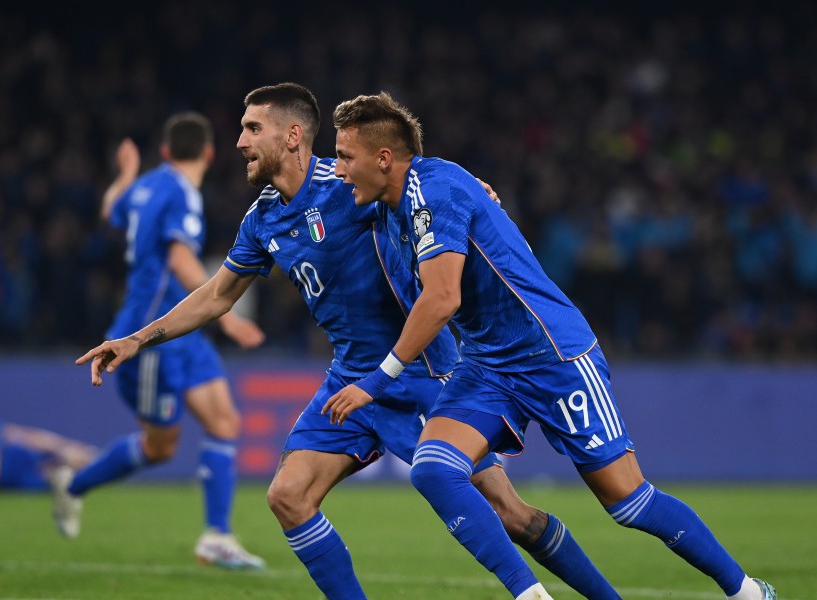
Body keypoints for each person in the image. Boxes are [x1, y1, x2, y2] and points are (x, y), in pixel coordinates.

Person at [76, 83, 620, 599]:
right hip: (350, 377)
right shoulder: (262, 218)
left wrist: (473, 191)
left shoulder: (347, 184)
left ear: (291, 136)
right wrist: (136, 339)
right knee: (288, 496)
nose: (239, 141)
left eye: (251, 128)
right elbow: (217, 295)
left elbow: (421, 183)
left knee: (512, 515)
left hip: (421, 371)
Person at [323, 92, 778, 600]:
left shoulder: (434, 191)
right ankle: (530, 593)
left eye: (344, 156)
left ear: (384, 158)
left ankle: (746, 592)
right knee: (433, 468)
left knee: (627, 501)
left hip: (554, 353)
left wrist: (376, 380)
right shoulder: (392, 199)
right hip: (489, 366)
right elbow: (312, 180)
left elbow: (443, 298)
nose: (338, 169)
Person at [56, 113, 266, 570]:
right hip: (149, 336)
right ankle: (73, 483)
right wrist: (225, 312)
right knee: (161, 447)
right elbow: (178, 256)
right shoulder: (180, 194)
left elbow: (110, 207)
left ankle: (217, 536)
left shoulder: (148, 186)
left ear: (167, 152)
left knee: (225, 422)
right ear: (210, 153)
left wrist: (127, 174)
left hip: (180, 331)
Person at [0, 420, 97, 493]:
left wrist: (60, 447)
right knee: (56, 474)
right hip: (9, 470)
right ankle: (87, 463)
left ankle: (86, 461)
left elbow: (12, 432)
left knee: (59, 467)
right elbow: (13, 433)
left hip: (9, 463)